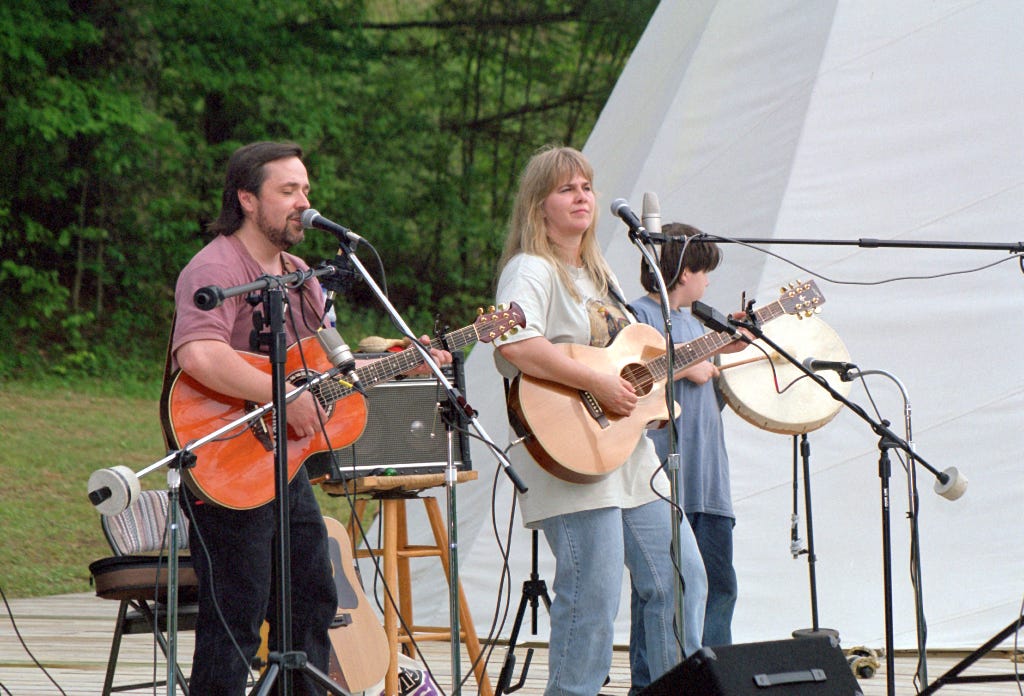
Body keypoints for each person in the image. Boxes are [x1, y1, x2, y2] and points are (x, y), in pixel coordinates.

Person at [171, 141, 448, 694]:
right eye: (288, 190)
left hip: (282, 464)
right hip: (225, 461)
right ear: (248, 199)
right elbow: (198, 355)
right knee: (237, 616)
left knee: (312, 599)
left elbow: (326, 365)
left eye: (306, 189)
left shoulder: (301, 274)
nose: (304, 202)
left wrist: (401, 362)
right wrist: (282, 396)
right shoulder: (216, 266)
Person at [492, 145, 706, 695]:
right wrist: (596, 384)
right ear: (538, 205)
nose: (582, 196)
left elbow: (625, 360)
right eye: (566, 188)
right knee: (593, 599)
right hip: (568, 451)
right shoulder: (530, 269)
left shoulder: (598, 272)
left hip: (625, 455)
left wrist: (647, 399)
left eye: (586, 186)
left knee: (681, 578)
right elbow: (515, 343)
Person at [630, 222, 741, 649]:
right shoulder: (637, 315)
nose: (708, 282)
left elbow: (709, 404)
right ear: (684, 271)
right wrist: (683, 366)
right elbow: (627, 378)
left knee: (718, 586)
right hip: (661, 479)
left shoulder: (697, 325)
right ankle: (651, 679)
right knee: (659, 588)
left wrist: (726, 354)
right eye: (704, 271)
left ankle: (713, 675)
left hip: (709, 481)